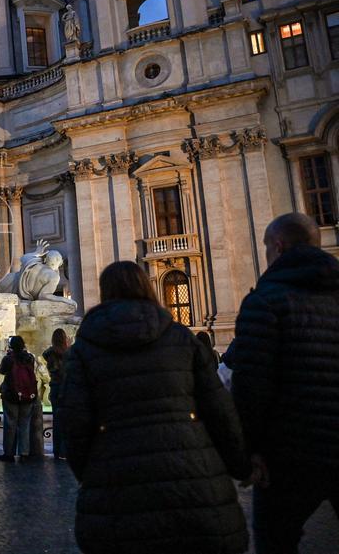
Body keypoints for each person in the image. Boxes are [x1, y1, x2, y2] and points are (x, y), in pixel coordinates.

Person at [61, 261, 250, 554]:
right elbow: (219, 411)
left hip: (116, 479)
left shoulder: (84, 349)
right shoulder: (181, 338)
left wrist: (90, 473)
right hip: (193, 476)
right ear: (146, 287)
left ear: (104, 292)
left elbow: (75, 424)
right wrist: (241, 465)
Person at [231, 213, 339, 553]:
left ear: (277, 246)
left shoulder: (265, 301)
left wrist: (248, 452)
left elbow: (252, 386)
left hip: (291, 452)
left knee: (276, 540)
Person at [0, 336, 37, 462]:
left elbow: (1, 370)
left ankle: (9, 453)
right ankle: (24, 453)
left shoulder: (8, 359)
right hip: (28, 395)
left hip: (11, 395)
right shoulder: (30, 358)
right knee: (25, 424)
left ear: (11, 346)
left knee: (10, 424)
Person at [41, 328, 69, 460]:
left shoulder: (49, 354)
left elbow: (46, 356)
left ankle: (57, 450)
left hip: (55, 388)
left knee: (57, 420)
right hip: (67, 389)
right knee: (66, 421)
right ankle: (65, 450)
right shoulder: (69, 353)